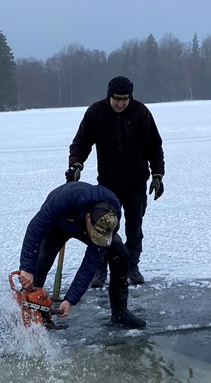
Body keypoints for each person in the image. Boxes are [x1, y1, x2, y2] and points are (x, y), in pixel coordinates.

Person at [66, 75, 165, 288]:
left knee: (134, 227)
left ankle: (131, 266)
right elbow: (81, 142)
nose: (120, 104)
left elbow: (154, 147)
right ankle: (100, 269)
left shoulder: (141, 113)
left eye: (125, 99)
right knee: (103, 227)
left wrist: (158, 175)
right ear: (109, 96)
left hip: (136, 182)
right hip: (107, 184)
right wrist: (76, 164)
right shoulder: (96, 112)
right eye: (116, 99)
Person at [18, 181, 146, 329]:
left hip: (86, 226)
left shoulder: (111, 217)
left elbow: (90, 264)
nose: (97, 239)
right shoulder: (64, 199)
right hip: (59, 223)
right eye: (95, 235)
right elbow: (35, 229)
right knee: (41, 263)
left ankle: (120, 314)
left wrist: (70, 300)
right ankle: (32, 310)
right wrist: (27, 268)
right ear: (88, 218)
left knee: (120, 253)